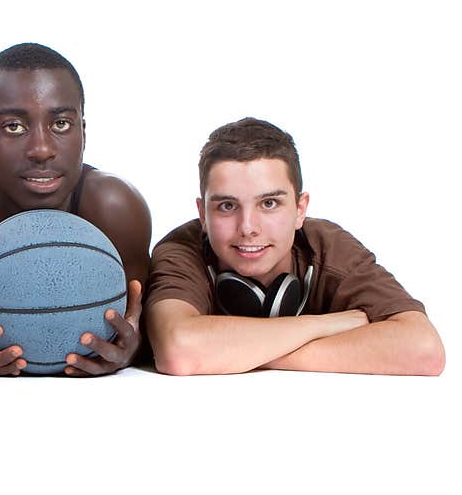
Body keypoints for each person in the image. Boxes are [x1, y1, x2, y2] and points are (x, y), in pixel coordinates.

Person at [0, 43, 151, 377]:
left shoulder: (115, 210)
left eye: (62, 124)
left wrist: (132, 346)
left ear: (84, 132)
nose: (41, 149)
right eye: (14, 127)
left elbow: (143, 327)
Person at [145, 117, 445, 376]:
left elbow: (424, 349)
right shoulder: (180, 250)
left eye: (269, 203)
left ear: (300, 209)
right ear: (203, 215)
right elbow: (179, 349)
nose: (248, 227)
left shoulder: (329, 248)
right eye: (226, 206)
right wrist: (321, 326)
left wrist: (239, 353)